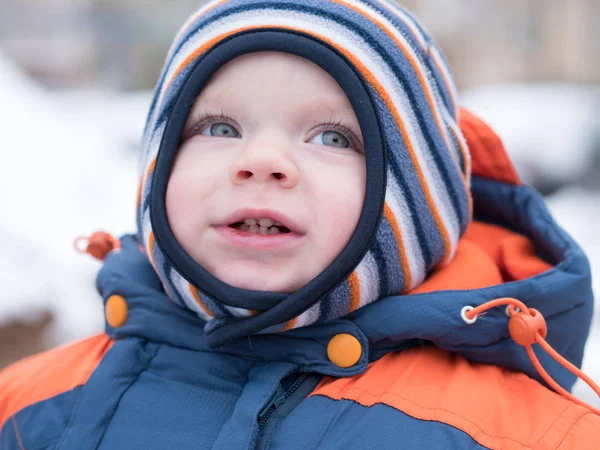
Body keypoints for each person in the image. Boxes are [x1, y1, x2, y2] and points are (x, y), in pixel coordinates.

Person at [1, 1, 599, 448]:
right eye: (219, 127)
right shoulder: (28, 408)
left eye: (333, 137)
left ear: (419, 207)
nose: (261, 161)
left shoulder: (532, 437)